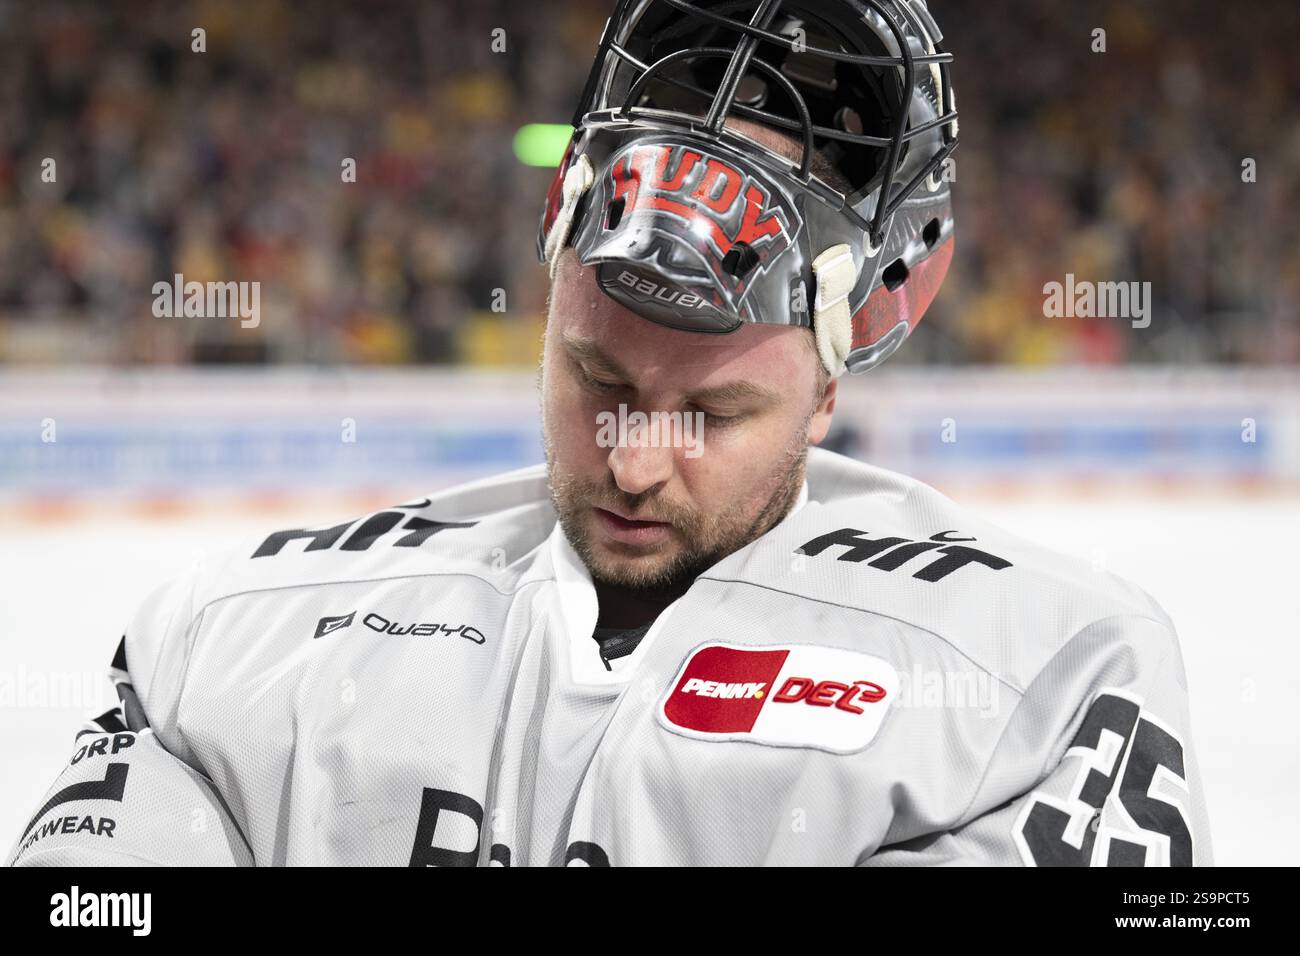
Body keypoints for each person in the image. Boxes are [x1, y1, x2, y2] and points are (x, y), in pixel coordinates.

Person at [9, 0, 1210, 866]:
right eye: (595, 378)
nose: (632, 462)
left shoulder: (1054, 683)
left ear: (830, 382)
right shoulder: (225, 640)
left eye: (710, 412)